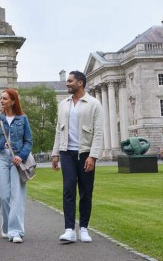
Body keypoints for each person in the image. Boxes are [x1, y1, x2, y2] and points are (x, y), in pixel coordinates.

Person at [52, 70, 104, 244]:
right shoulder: (63, 104)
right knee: (68, 188)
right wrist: (55, 153)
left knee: (86, 192)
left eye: (70, 81)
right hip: (67, 152)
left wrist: (93, 156)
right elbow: (59, 129)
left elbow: (98, 133)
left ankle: (83, 228)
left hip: (85, 153)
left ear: (80, 83)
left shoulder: (94, 104)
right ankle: (69, 229)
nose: (67, 84)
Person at [0, 88, 33, 243]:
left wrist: (21, 156)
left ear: (13, 101)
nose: (2, 100)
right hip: (0, 157)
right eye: (1, 98)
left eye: (5, 98)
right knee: (1, 195)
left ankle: (16, 231)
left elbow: (29, 141)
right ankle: (6, 225)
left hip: (16, 159)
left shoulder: (23, 119)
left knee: (16, 195)